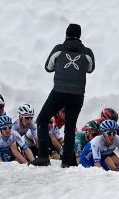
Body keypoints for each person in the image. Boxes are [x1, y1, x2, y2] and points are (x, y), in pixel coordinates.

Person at [31, 23, 95, 167]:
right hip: (77, 94)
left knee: (42, 120)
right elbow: (90, 69)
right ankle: (66, 162)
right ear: (80, 36)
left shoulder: (59, 49)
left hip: (59, 92)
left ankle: (43, 157)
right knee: (70, 128)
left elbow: (48, 67)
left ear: (66, 35)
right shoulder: (87, 52)